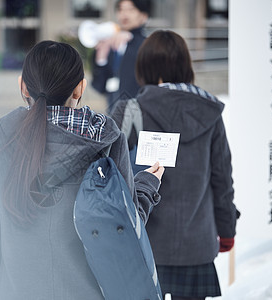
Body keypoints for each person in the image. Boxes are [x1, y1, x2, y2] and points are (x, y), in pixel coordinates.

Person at [0, 40, 164, 300]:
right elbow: (124, 227)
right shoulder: (106, 138)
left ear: (23, 86)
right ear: (80, 87)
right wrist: (147, 184)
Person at [110, 30, 238, 300]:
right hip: (197, 246)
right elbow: (222, 178)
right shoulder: (210, 112)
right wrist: (227, 231)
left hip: (143, 242)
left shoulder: (131, 110)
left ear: (145, 67)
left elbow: (109, 173)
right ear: (185, 65)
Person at [91, 0, 151, 111]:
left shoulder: (148, 45)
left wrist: (132, 38)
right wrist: (101, 59)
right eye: (121, 9)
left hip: (141, 113)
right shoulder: (109, 42)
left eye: (131, 9)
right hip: (113, 114)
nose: (124, 14)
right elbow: (99, 86)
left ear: (144, 16)